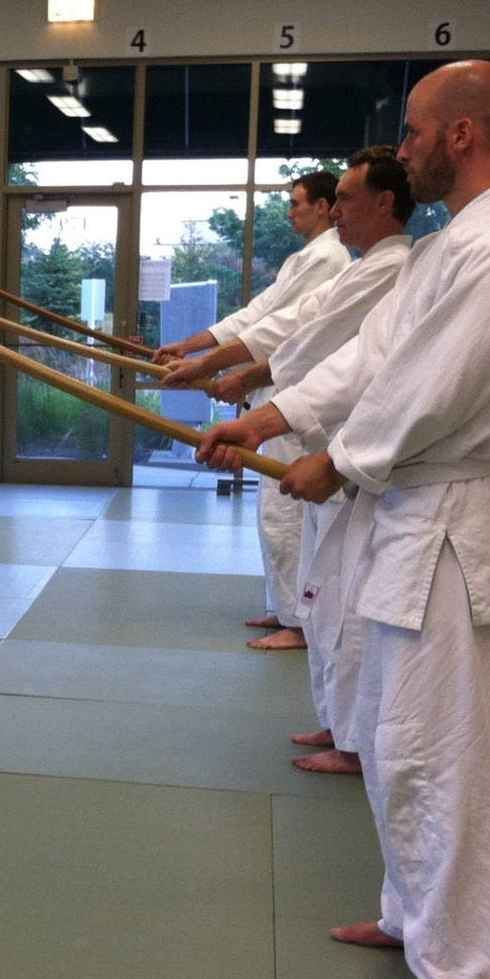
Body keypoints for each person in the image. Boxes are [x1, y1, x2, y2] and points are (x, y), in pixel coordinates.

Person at [196, 61, 490, 979]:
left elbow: (429, 388)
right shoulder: (451, 250)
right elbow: (369, 358)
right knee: (401, 746)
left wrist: (342, 461)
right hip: (414, 521)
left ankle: (465, 978)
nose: (400, 151)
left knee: (447, 756)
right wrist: (270, 417)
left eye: (411, 133)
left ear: (462, 135)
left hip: (450, 525)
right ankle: (412, 918)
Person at [165, 146, 415, 772]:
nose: (335, 215)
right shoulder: (357, 265)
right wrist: (218, 365)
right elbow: (293, 327)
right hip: (314, 425)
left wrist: (232, 380)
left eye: (344, 202)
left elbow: (306, 344)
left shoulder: (385, 267)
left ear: (382, 204)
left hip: (343, 447)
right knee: (324, 586)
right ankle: (339, 725)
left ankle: (354, 737)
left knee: (343, 598)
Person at [154, 171, 349, 650]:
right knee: (274, 508)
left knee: (285, 509)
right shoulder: (306, 259)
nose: (290, 211)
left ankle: (300, 622)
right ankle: (286, 609)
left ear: (323, 207)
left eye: (298, 202)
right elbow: (258, 315)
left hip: (293, 394)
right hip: (277, 388)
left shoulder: (330, 258)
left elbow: (280, 329)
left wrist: (216, 366)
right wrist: (193, 346)